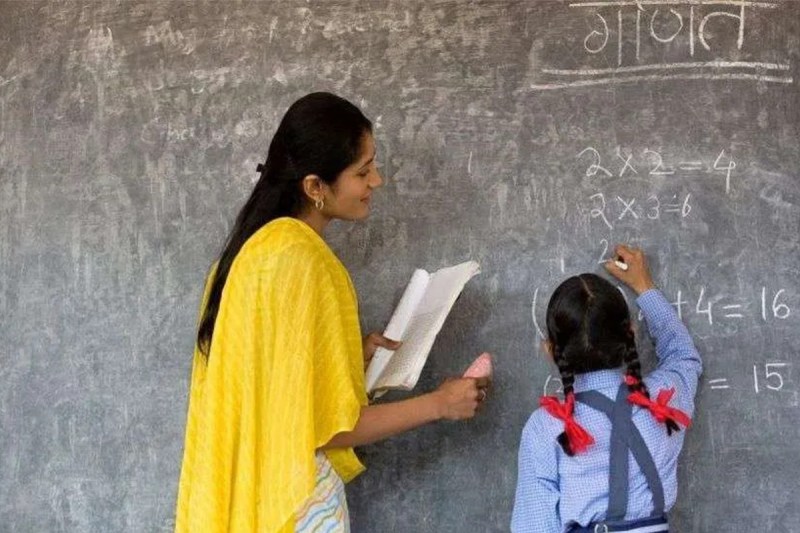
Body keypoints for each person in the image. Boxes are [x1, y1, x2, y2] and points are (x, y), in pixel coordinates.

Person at [174, 92, 490, 533]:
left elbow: (271, 393)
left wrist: (347, 361)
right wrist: (441, 403)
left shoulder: (248, 256)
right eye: (363, 171)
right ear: (315, 187)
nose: (376, 181)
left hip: (253, 502)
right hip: (297, 505)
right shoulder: (307, 261)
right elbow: (330, 428)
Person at [511, 245, 702, 533]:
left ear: (551, 350)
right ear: (631, 335)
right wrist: (644, 287)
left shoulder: (546, 428)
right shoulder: (664, 399)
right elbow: (683, 356)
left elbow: (534, 528)